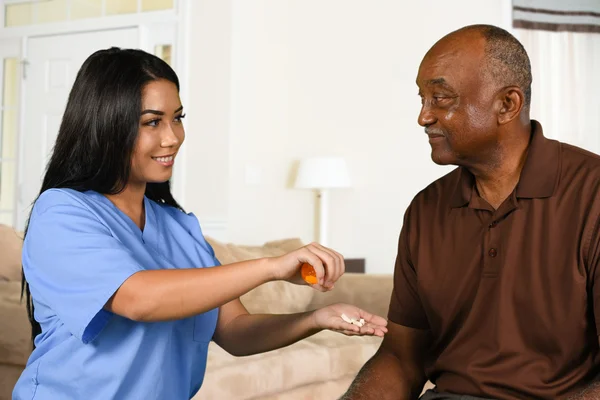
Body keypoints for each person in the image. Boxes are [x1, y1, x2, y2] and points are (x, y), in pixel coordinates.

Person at [12, 48, 388, 400]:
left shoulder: (178, 227)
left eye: (177, 118)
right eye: (152, 122)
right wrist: (272, 267)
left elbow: (236, 332)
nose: (172, 137)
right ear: (107, 125)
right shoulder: (61, 213)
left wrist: (316, 319)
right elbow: (139, 299)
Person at [342, 24, 600, 400]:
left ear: (507, 104)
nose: (423, 117)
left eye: (441, 98)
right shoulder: (425, 210)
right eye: (422, 98)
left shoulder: (591, 194)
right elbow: (401, 358)